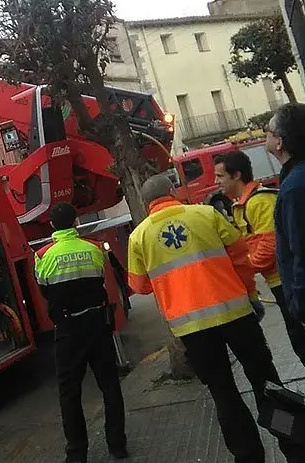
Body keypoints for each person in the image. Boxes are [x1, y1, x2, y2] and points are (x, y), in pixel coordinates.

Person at [128, 174, 303, 463]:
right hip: (235, 314)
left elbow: (139, 286)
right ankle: (294, 448)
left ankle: (248, 456)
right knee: (266, 382)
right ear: (173, 192)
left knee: (224, 393)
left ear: (147, 203)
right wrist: (251, 295)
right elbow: (240, 257)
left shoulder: (139, 237)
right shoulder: (206, 214)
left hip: (193, 330)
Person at [35, 202, 127, 463]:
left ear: (52, 225)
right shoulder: (95, 248)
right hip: (97, 324)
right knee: (109, 385)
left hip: (67, 330)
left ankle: (76, 454)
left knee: (69, 392)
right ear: (76, 222)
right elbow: (99, 276)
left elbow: (44, 289)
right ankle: (117, 446)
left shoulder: (42, 255)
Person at [215, 150, 305, 364]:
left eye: (220, 176)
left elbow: (269, 248)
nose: (216, 182)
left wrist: (242, 269)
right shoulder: (245, 204)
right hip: (281, 281)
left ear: (236, 175)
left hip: (287, 282)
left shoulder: (258, 202)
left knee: (300, 340)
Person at [267, 103, 305, 325]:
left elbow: (300, 249)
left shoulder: (294, 188)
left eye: (268, 131)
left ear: (279, 142)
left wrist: (300, 303)